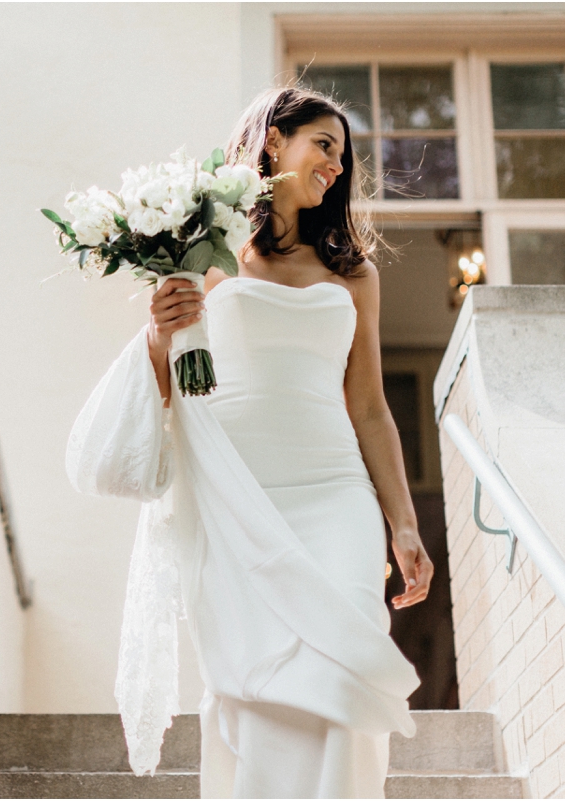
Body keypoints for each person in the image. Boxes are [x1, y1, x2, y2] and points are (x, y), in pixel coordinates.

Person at [66, 86, 434, 799]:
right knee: (256, 683)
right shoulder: (201, 250)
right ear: (272, 141)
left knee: (345, 660)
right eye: (323, 144)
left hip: (336, 494)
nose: (335, 164)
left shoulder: (355, 273)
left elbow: (369, 406)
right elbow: (171, 375)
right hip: (233, 496)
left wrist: (405, 523)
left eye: (342, 154)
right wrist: (157, 331)